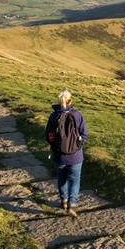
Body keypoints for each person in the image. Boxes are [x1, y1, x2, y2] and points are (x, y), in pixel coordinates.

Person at [45, 89, 87, 217]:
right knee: (75, 180)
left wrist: (54, 146)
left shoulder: (53, 116)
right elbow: (84, 134)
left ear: (59, 101)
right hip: (76, 156)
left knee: (61, 178)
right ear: (71, 100)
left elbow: (48, 135)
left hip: (59, 156)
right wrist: (78, 145)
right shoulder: (77, 115)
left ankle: (63, 201)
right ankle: (72, 204)